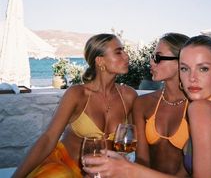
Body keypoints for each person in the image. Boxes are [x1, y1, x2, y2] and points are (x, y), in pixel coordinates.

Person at [83, 35, 211, 178]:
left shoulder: (200, 108)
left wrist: (127, 169)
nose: (192, 78)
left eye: (203, 69)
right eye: (185, 68)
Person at [12, 33, 137, 178]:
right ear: (100, 61)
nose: (126, 56)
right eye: (118, 52)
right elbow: (48, 138)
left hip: (103, 173)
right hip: (65, 167)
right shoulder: (77, 94)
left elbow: (132, 142)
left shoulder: (128, 96)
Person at [134, 33, 190, 176]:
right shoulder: (143, 103)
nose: (151, 63)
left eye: (158, 58)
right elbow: (141, 160)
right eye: (152, 57)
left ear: (182, 62)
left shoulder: (198, 108)